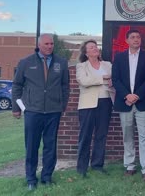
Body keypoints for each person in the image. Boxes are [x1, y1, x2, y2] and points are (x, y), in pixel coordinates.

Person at [12, 33, 70, 191]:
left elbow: (65, 86)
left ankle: (47, 177)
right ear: (39, 45)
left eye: (51, 44)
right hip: (32, 111)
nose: (50, 46)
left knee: (50, 146)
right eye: (46, 44)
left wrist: (62, 104)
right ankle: (31, 178)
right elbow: (17, 86)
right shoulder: (26, 62)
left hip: (53, 111)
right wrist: (16, 108)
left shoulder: (61, 63)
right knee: (31, 146)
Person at [112, 30, 145, 183]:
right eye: (133, 37)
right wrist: (127, 95)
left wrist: (136, 95)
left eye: (138, 37)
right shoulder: (118, 57)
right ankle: (130, 166)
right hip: (125, 103)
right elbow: (115, 79)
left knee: (144, 136)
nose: (136, 39)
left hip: (142, 102)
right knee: (127, 135)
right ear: (127, 40)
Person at [75, 39, 115, 177]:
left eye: (96, 47)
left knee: (101, 135)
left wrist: (109, 81)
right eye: (91, 48)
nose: (95, 49)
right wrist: (103, 79)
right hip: (87, 105)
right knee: (85, 136)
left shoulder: (107, 64)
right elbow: (84, 81)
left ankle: (97, 165)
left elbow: (113, 79)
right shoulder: (81, 66)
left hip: (105, 102)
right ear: (86, 53)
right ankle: (82, 168)